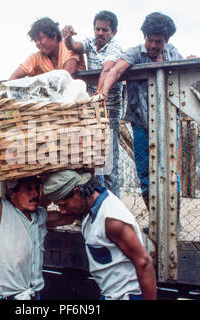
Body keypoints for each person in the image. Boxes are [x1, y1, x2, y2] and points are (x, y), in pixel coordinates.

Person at [0, 108, 75, 300]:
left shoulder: (40, 216)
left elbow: (70, 214)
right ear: (11, 193)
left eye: (36, 187)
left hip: (33, 296)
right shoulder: (0, 213)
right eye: (27, 188)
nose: (35, 193)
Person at [99, 12, 183, 209]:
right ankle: (154, 218)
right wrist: (103, 93)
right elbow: (116, 71)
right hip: (140, 122)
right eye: (150, 40)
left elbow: (188, 73)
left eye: (159, 41)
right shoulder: (135, 53)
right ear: (144, 36)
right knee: (145, 172)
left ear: (166, 40)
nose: (153, 45)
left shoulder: (172, 53)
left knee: (170, 171)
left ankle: (174, 218)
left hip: (168, 121)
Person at [42, 170, 157, 300]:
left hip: (126, 296)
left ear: (77, 192)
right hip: (110, 294)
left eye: (63, 205)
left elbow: (144, 263)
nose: (62, 211)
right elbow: (63, 218)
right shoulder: (92, 203)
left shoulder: (112, 221)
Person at [61, 10, 124, 197]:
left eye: (105, 30)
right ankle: (101, 204)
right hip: (93, 110)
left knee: (110, 162)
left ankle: (115, 206)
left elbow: (107, 68)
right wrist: (67, 38)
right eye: (98, 29)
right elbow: (76, 46)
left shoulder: (115, 46)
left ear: (113, 32)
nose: (100, 33)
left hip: (109, 109)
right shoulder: (91, 42)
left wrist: (98, 95)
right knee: (96, 159)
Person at [9, 17, 86, 80]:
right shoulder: (35, 58)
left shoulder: (68, 46)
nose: (37, 43)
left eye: (40, 38)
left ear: (53, 36)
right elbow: (13, 78)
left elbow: (68, 74)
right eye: (35, 40)